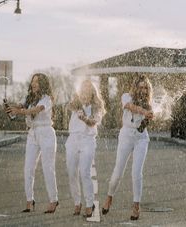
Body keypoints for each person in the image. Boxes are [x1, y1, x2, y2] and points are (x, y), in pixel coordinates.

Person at [102, 75, 154, 220]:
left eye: (146, 88)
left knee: (136, 173)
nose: (143, 90)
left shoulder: (149, 104)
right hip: (126, 135)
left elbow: (144, 124)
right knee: (118, 172)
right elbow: (129, 107)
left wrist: (149, 117)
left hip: (141, 138)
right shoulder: (126, 96)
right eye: (141, 87)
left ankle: (136, 206)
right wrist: (143, 112)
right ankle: (109, 197)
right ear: (135, 87)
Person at [6, 73, 59, 213]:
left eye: (37, 81)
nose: (34, 84)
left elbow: (37, 109)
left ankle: (53, 200)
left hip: (46, 133)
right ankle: (30, 200)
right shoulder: (29, 98)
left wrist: (20, 111)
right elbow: (21, 106)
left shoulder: (47, 99)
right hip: (32, 133)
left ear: (43, 84)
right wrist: (11, 108)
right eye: (33, 81)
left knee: (48, 168)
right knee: (28, 168)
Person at [65, 80, 106, 217]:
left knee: (85, 172)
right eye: (83, 89)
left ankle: (89, 204)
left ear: (93, 91)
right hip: (73, 139)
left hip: (87, 140)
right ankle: (77, 202)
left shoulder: (97, 107)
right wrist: (77, 106)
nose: (85, 91)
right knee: (71, 173)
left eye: (88, 89)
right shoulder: (76, 104)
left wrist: (84, 119)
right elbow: (68, 106)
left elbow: (93, 122)